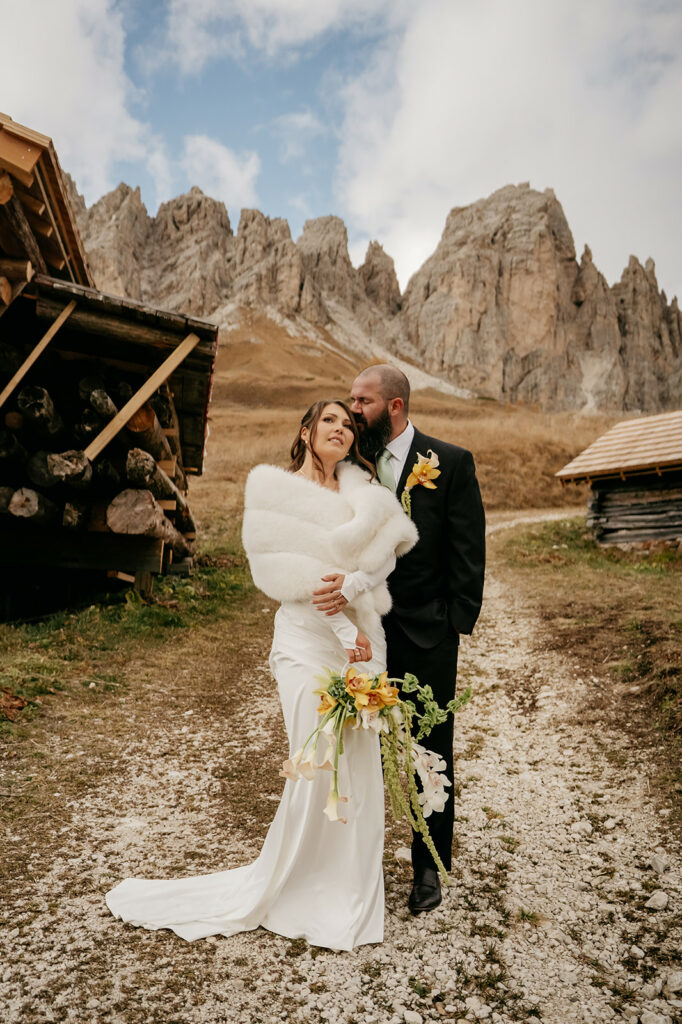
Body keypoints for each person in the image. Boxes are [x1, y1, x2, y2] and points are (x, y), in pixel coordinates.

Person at [105, 399, 417, 951]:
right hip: (306, 642)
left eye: (348, 424)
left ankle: (347, 883)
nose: (340, 429)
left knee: (359, 762)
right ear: (306, 430)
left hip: (363, 641)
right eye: (329, 420)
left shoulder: (365, 494)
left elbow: (387, 554)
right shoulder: (272, 492)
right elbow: (287, 576)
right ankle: (297, 882)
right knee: (316, 760)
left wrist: (354, 589)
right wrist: (344, 621)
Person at [314, 366, 486, 915]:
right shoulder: (349, 467)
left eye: (360, 400)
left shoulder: (450, 463)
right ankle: (351, 866)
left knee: (429, 751)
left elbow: (467, 547)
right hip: (360, 634)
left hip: (426, 633)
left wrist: (454, 622)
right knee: (354, 749)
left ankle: (428, 869)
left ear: (393, 406)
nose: (351, 408)